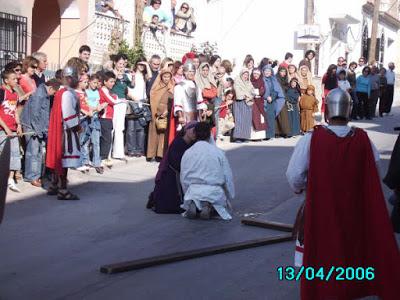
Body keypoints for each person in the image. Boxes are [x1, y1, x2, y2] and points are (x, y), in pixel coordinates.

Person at [286, 88, 400, 300]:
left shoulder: (311, 139)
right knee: (352, 251)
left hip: (321, 212)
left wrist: (301, 189)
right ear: (349, 110)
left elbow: (294, 175)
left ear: (328, 111)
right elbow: (373, 172)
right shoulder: (364, 139)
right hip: (355, 211)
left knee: (324, 255)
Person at [180, 122, 235, 220]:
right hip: (214, 190)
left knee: (194, 195)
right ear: (210, 134)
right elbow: (227, 175)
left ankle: (196, 203)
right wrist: (230, 194)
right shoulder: (218, 152)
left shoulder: (188, 153)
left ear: (195, 134)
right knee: (218, 200)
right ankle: (209, 205)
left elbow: (183, 176)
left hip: (193, 190)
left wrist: (186, 191)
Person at [46, 64, 82, 200]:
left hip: (62, 129)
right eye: (74, 77)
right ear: (68, 78)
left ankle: (54, 185)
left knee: (59, 158)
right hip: (65, 131)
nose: (76, 80)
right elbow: (68, 115)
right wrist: (77, 127)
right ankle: (62, 189)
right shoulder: (66, 93)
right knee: (63, 160)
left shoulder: (62, 92)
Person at [147, 121, 197, 214]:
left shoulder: (193, 145)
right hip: (172, 175)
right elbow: (176, 163)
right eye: (193, 130)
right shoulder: (178, 143)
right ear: (186, 130)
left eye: (197, 131)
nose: (195, 133)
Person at [20, 79, 61, 187]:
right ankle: (32, 177)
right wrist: (38, 131)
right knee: (33, 153)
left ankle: (36, 175)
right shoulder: (39, 95)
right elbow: (35, 115)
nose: (54, 94)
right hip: (31, 127)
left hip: (38, 127)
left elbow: (44, 114)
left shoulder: (45, 94)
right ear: (51, 88)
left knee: (38, 153)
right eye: (54, 92)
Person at [0, 70, 22, 192]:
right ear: (6, 80)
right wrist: (6, 128)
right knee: (3, 154)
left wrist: (18, 124)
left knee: (14, 153)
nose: (16, 80)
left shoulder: (15, 94)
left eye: (16, 78)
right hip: (2, 130)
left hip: (12, 129)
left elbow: (15, 111)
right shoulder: (2, 92)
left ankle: (11, 179)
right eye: (13, 79)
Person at [147, 69, 175, 161]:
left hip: (166, 113)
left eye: (168, 77)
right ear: (161, 77)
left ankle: (160, 154)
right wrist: (156, 111)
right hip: (155, 113)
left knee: (163, 134)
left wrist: (167, 110)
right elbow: (153, 99)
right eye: (164, 76)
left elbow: (173, 101)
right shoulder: (156, 88)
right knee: (153, 133)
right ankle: (151, 154)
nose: (166, 79)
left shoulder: (172, 87)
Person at [126, 58, 151, 158]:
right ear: (136, 64)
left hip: (142, 103)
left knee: (140, 128)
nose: (141, 66)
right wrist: (133, 98)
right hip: (132, 102)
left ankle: (139, 150)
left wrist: (147, 64)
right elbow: (128, 89)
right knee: (131, 128)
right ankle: (131, 149)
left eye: (143, 65)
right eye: (140, 64)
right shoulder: (131, 74)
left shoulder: (144, 76)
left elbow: (150, 76)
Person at [173, 61, 206, 128]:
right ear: (184, 72)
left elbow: (200, 102)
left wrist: (203, 111)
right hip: (185, 117)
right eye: (189, 71)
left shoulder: (196, 86)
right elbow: (178, 103)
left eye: (193, 71)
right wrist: (180, 116)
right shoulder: (179, 86)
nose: (191, 73)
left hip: (196, 117)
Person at [111, 54, 132, 160]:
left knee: (120, 128)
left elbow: (131, 85)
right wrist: (116, 75)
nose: (121, 66)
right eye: (120, 63)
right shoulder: (111, 73)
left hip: (123, 103)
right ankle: (107, 153)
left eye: (123, 64)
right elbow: (109, 85)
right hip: (113, 102)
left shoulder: (125, 75)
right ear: (115, 63)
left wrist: (131, 76)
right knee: (112, 128)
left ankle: (118, 153)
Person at [83, 74, 104, 173]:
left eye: (97, 83)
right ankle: (85, 161)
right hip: (87, 118)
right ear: (89, 82)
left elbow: (98, 103)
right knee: (86, 142)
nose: (96, 85)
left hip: (95, 119)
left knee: (96, 142)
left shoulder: (97, 92)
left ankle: (97, 163)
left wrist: (100, 107)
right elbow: (86, 106)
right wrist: (95, 108)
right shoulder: (86, 92)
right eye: (94, 82)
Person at [99, 71, 119, 168]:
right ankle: (103, 158)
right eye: (111, 81)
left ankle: (104, 157)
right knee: (106, 139)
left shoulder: (107, 91)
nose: (113, 83)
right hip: (104, 118)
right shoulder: (103, 90)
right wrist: (117, 98)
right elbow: (112, 101)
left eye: (114, 81)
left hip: (109, 117)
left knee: (107, 138)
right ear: (105, 82)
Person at [262, 66, 285, 139]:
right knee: (264, 119)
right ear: (263, 72)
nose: (267, 72)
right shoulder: (261, 80)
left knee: (271, 118)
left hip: (272, 102)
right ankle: (264, 135)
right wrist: (266, 97)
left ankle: (271, 135)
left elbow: (276, 91)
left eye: (269, 71)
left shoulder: (274, 80)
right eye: (266, 71)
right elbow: (260, 90)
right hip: (263, 101)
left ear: (271, 72)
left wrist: (272, 97)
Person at [232, 69, 254, 142]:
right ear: (241, 74)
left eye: (247, 75)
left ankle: (245, 136)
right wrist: (246, 95)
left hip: (248, 103)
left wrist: (250, 95)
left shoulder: (249, 83)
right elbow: (238, 91)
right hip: (239, 103)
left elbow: (252, 91)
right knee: (239, 120)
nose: (246, 76)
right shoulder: (237, 81)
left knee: (247, 120)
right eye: (244, 74)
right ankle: (238, 137)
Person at [250, 68, 267, 140]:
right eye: (254, 74)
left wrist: (257, 92)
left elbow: (263, 90)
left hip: (259, 102)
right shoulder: (250, 81)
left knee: (260, 118)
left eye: (257, 74)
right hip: (252, 102)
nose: (256, 75)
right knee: (253, 117)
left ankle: (260, 136)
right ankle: (253, 136)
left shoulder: (261, 82)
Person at [275, 67, 292, 137]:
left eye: (284, 72)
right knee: (279, 115)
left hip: (284, 98)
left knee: (282, 115)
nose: (283, 73)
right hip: (278, 98)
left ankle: (282, 132)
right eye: (282, 71)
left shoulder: (285, 79)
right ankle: (281, 132)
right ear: (279, 72)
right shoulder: (276, 79)